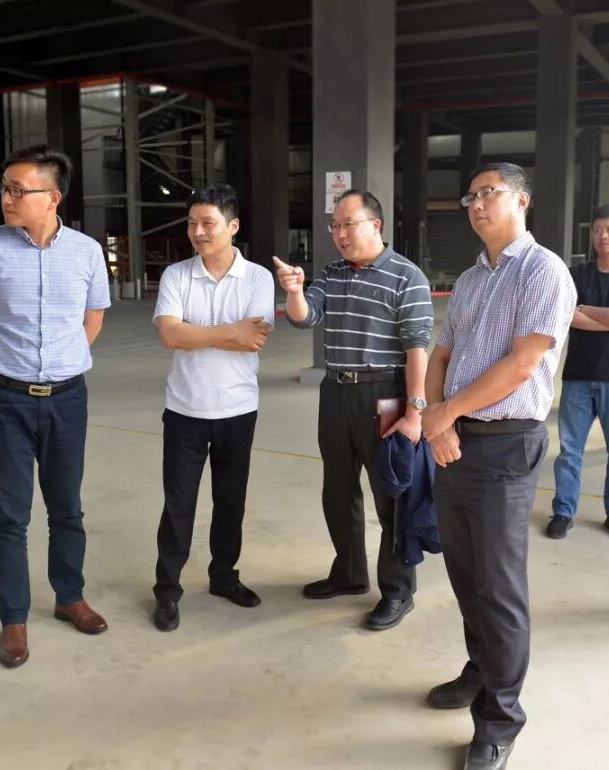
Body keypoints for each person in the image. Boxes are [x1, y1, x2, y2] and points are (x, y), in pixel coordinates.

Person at [421, 163, 575, 769]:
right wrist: (438, 419)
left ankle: (500, 721)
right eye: (471, 196)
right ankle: (481, 669)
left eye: (490, 192)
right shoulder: (470, 279)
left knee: (499, 586)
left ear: (523, 201)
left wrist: (446, 412)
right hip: (455, 440)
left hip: (506, 444)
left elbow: (522, 365)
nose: (477, 203)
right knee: (465, 574)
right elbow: (441, 353)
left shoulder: (543, 270)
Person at [0, 144, 111, 668]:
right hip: (5, 398)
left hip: (67, 398)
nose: (7, 198)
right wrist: (11, 357)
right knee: (10, 514)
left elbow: (92, 319)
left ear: (53, 197)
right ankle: (14, 618)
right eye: (5, 188)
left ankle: (69, 597)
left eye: (20, 190)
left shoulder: (86, 252)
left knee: (67, 507)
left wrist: (60, 361)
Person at [273, 189, 433, 631]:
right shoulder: (331, 273)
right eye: (335, 226)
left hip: (387, 394)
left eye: (348, 224)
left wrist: (415, 411)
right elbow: (305, 317)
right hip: (336, 393)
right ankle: (349, 573)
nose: (339, 234)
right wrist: (295, 291)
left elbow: (417, 347)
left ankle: (398, 590)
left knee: (391, 495)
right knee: (338, 491)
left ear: (375, 225)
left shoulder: (407, 276)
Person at [150, 183, 275, 632]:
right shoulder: (176, 275)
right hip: (184, 409)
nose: (198, 232)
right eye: (192, 223)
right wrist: (229, 331)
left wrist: (195, 333)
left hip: (237, 409)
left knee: (230, 501)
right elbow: (170, 335)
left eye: (208, 223)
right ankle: (167, 590)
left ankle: (224, 576)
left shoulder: (257, 278)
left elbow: (253, 340)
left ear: (233, 226)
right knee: (178, 504)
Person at [548, 203, 609, 541]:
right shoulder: (576, 275)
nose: (603, 236)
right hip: (578, 375)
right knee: (570, 452)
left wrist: (587, 310)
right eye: (597, 230)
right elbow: (567, 315)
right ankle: (563, 512)